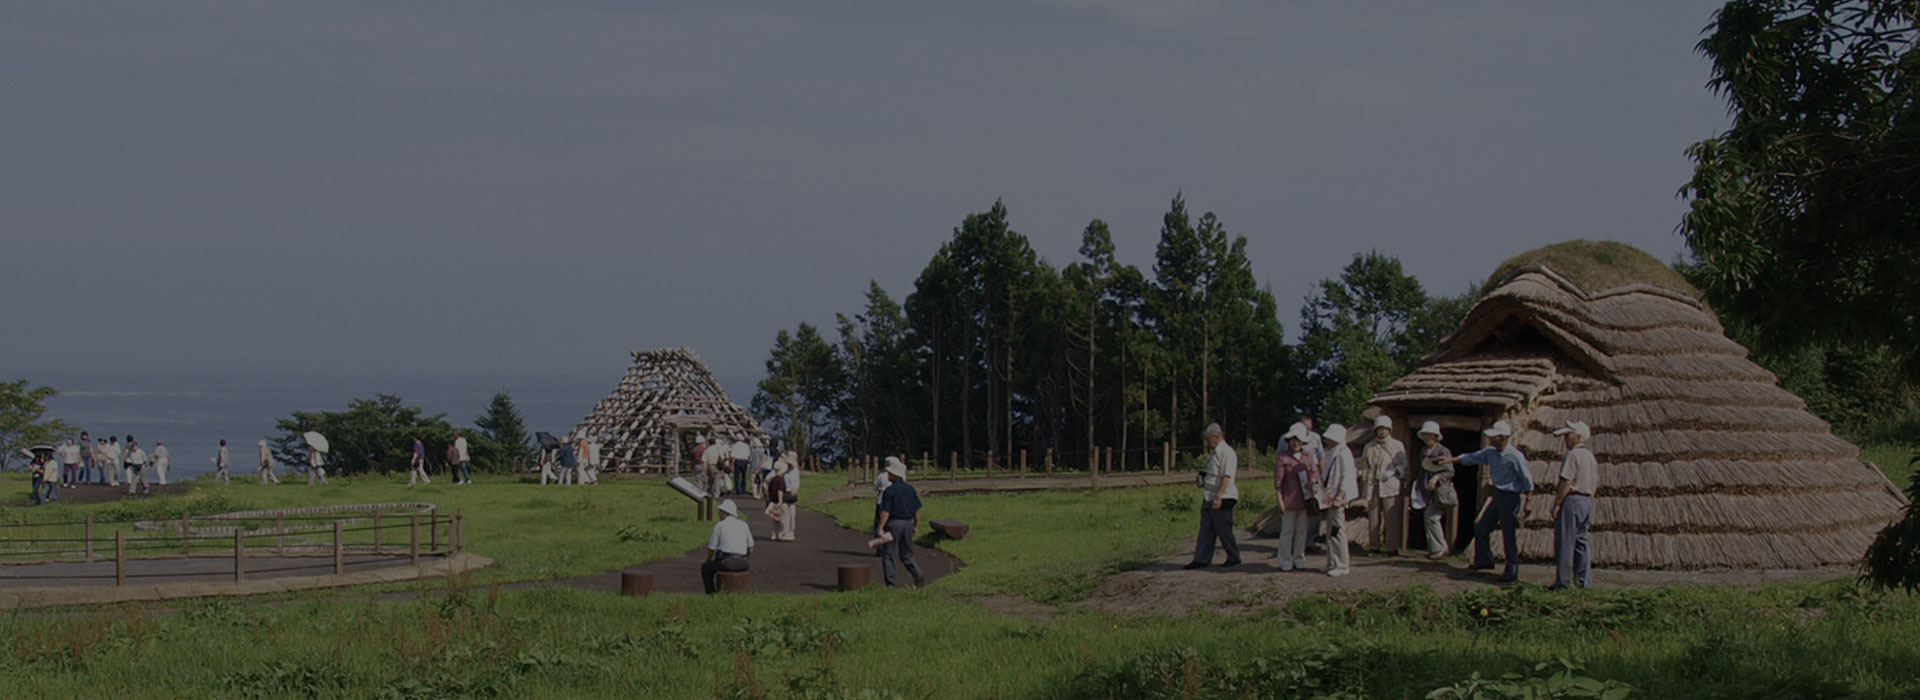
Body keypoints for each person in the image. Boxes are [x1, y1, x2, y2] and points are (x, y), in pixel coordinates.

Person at [1442, 420, 1535, 583]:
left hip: (1511, 496)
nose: (1491, 440)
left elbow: (1526, 479)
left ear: (1503, 438)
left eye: (1494, 437)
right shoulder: (1490, 453)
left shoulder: (1515, 456)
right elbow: (1472, 457)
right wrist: (1450, 460)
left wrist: (1528, 500)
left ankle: (1511, 570)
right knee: (1481, 527)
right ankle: (1484, 560)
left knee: (1508, 534)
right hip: (1498, 494)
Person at [1184, 423, 1242, 569]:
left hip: (1222, 495)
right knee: (1206, 528)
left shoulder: (1227, 453)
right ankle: (1201, 559)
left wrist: (1219, 496)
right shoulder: (1215, 453)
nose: (1207, 442)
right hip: (1209, 494)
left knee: (1223, 529)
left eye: (1208, 439)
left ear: (1216, 437)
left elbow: (1227, 476)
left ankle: (1233, 556)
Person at [1550, 421, 1599, 590]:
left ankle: (1562, 582)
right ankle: (1584, 581)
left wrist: (1557, 503)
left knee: (1565, 542)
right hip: (1586, 501)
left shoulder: (1573, 455)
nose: (1565, 439)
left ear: (1577, 436)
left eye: (1568, 435)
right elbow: (1594, 483)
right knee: (1582, 542)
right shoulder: (1590, 456)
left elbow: (1567, 481)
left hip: (1573, 500)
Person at [1272, 422, 1319, 571]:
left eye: (1298, 440)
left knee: (1301, 531)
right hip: (1289, 499)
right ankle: (1285, 561)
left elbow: (1315, 472)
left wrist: (1313, 481)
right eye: (1292, 439)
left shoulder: (1308, 456)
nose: (1295, 442)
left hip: (1305, 499)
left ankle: (1299, 559)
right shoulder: (1283, 458)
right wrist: (1279, 500)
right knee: (1287, 531)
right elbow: (1278, 482)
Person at [1361, 416, 1409, 556]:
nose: (1382, 432)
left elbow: (1404, 464)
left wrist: (1393, 471)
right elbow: (1364, 463)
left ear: (1389, 430)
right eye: (1379, 429)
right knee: (1373, 517)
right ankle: (1374, 545)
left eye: (1385, 429)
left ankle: (1391, 547)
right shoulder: (1369, 446)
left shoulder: (1396, 445)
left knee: (1391, 516)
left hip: (1389, 484)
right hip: (1372, 484)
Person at [1318, 424, 1360, 576]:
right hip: (1330, 494)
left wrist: (1341, 496)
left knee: (1337, 530)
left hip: (1337, 496)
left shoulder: (1344, 453)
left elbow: (1346, 477)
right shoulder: (1334, 452)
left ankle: (1342, 565)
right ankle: (1332, 562)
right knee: (1330, 530)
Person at [875, 459, 925, 587]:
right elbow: (918, 509)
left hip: (893, 524)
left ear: (893, 474)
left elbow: (885, 511)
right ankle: (917, 573)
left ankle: (891, 585)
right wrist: (915, 525)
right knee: (907, 554)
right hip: (908, 523)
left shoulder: (889, 491)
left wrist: (880, 527)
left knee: (888, 555)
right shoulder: (910, 489)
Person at [1411, 422, 1455, 558]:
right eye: (1425, 434)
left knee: (1431, 517)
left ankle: (1440, 548)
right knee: (1428, 518)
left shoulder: (1443, 451)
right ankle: (1434, 548)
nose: (1426, 437)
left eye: (1429, 435)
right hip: (1427, 491)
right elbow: (1422, 470)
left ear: (1435, 436)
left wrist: (1436, 477)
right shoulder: (1424, 451)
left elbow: (1450, 470)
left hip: (1440, 491)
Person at [699, 499, 753, 593]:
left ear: (725, 512)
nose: (719, 514)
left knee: (706, 569)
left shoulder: (719, 526)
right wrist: (746, 558)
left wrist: (707, 561)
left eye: (720, 511)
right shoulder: (744, 525)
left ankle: (711, 593)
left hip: (726, 561)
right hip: (743, 563)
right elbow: (751, 547)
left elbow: (712, 548)